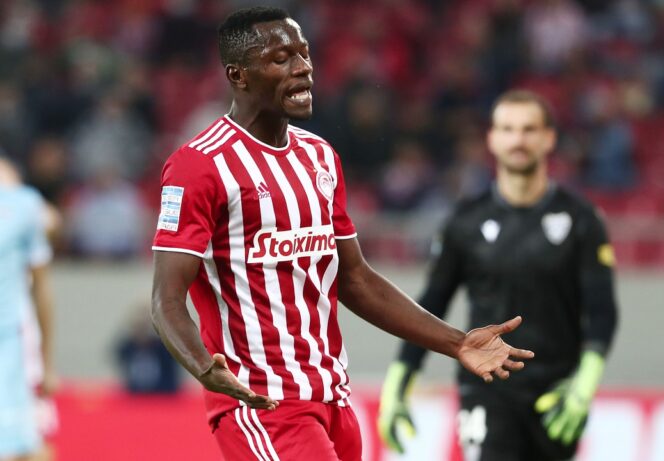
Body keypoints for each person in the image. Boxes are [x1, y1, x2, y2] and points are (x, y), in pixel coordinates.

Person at [150, 7, 535, 461]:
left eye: (304, 54)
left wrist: (456, 342)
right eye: (281, 59)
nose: (302, 68)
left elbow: (354, 279)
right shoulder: (200, 165)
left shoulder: (319, 157)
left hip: (334, 401)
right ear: (239, 75)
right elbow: (166, 299)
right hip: (263, 404)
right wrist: (203, 368)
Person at [378, 90, 619, 461]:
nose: (518, 139)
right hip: (486, 386)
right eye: (507, 129)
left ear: (548, 138)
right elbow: (431, 304)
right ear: (492, 139)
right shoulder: (465, 221)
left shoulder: (582, 220)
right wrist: (400, 381)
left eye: (528, 129)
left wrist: (585, 383)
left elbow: (602, 311)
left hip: (556, 393)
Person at [0, 156, 56, 461]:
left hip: (11, 344)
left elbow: (54, 221)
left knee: (25, 445)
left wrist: (46, 362)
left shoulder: (21, 205)